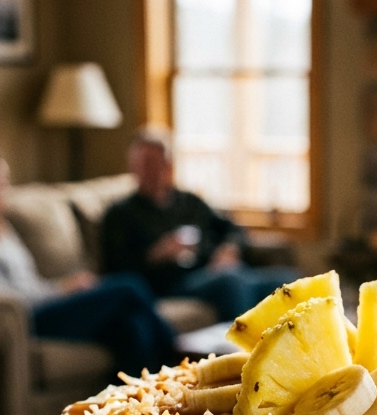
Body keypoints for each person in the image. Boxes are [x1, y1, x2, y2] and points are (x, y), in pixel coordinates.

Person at [0, 152, 176, 376]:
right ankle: (180, 355)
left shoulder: (2, 228)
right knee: (129, 287)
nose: (5, 188)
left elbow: (30, 282)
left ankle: (147, 401)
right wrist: (61, 291)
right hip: (27, 318)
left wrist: (63, 286)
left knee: (133, 325)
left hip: (44, 303)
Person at [101, 129, 297, 320]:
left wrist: (229, 249)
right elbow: (114, 271)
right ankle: (242, 341)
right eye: (141, 164)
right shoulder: (120, 213)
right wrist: (156, 254)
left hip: (212, 269)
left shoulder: (190, 202)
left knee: (287, 280)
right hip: (172, 283)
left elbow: (233, 229)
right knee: (231, 282)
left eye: (153, 163)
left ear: (168, 166)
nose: (147, 170)